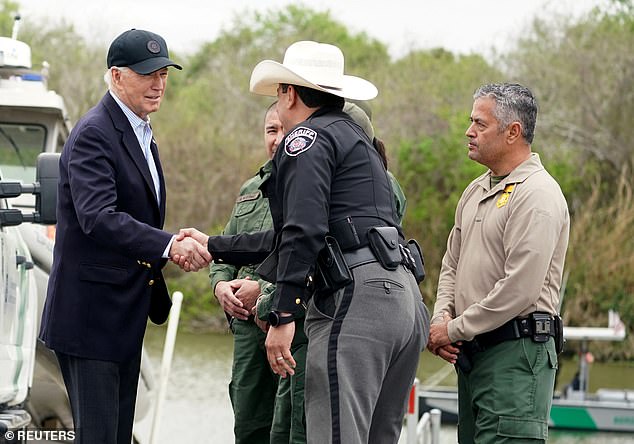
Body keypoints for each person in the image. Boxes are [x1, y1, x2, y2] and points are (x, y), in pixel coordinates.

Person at [178, 40, 430, 444]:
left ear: (289, 93)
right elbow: (299, 233)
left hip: (355, 304)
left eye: (279, 92)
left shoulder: (306, 139)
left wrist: (282, 314)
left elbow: (304, 232)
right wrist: (216, 245)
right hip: (403, 301)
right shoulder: (356, 141)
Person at [39, 29, 211, 444]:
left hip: (123, 318)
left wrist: (171, 240)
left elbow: (136, 214)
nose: (159, 83)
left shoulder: (142, 132)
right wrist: (169, 244)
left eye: (165, 73)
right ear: (116, 76)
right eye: (148, 73)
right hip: (91, 319)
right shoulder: (94, 133)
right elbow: (98, 217)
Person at [427, 83, 570, 443]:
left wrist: (455, 328)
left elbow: (520, 289)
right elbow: (451, 265)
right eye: (470, 121)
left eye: (479, 123)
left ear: (512, 132)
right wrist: (441, 317)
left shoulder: (537, 194)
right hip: (472, 355)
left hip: (515, 358)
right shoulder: (475, 191)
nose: (468, 131)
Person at [210, 102, 308, 444]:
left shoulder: (312, 183)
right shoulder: (251, 188)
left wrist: (262, 290)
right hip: (247, 333)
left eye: (285, 128)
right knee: (249, 424)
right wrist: (220, 285)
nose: (278, 138)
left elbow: (306, 250)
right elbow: (225, 248)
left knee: (288, 427)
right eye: (271, 130)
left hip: (290, 324)